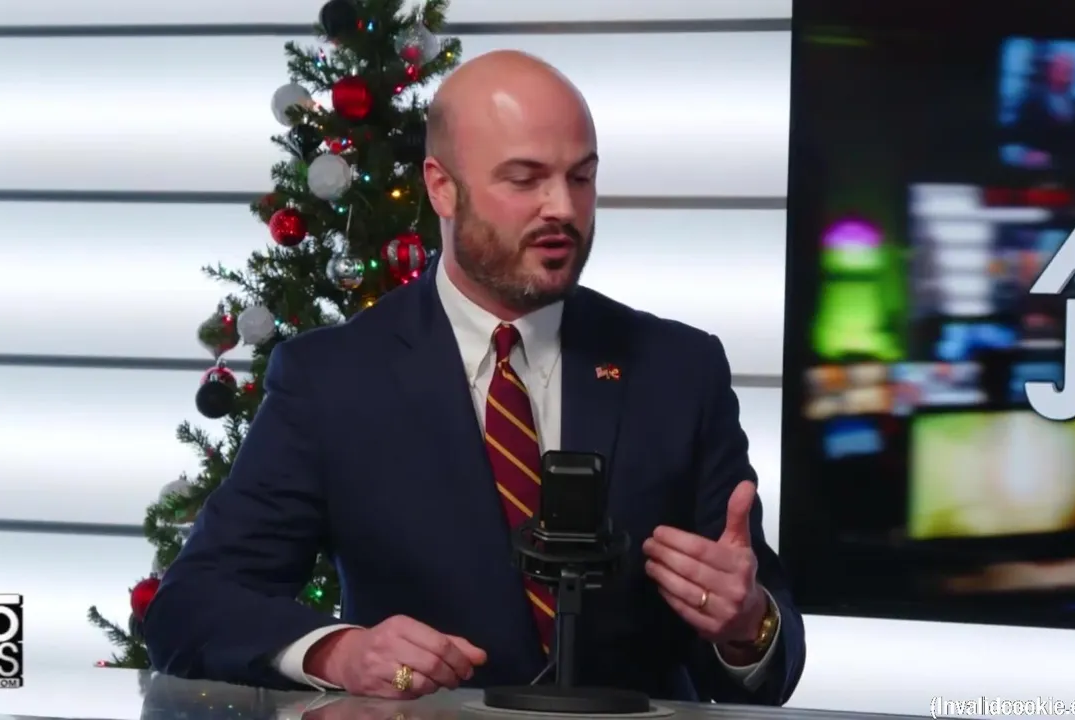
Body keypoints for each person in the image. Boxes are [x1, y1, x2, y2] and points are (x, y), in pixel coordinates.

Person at [144, 50, 806, 705]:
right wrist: (339, 652)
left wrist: (748, 626)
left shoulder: (678, 369)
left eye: (581, 177)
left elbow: (770, 655)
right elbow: (193, 605)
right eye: (525, 179)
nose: (562, 208)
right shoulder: (333, 379)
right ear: (441, 187)